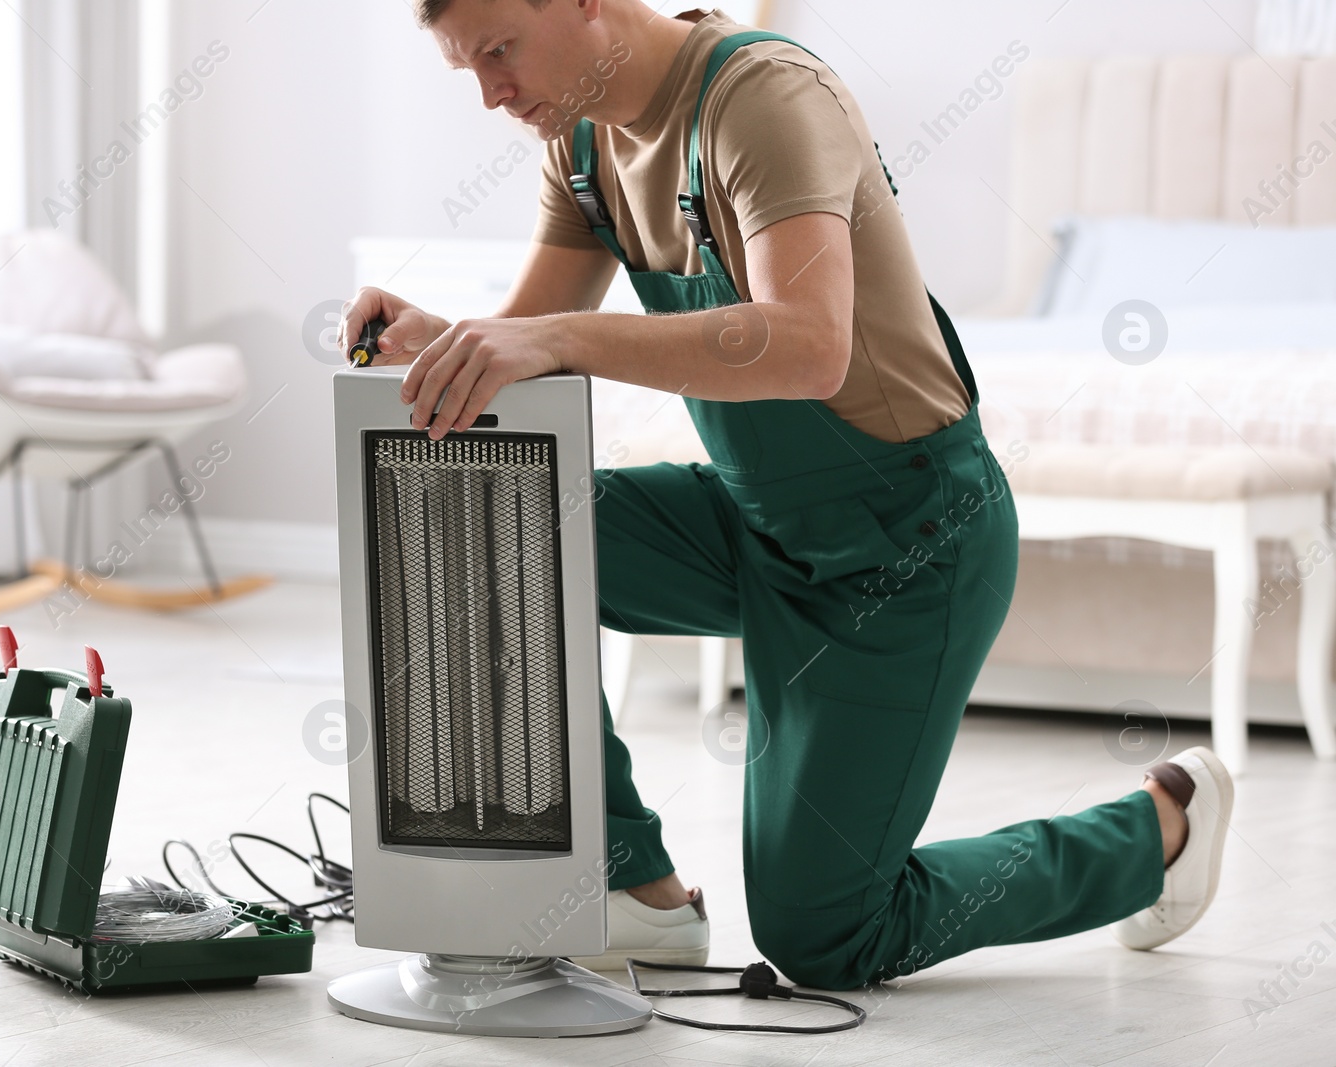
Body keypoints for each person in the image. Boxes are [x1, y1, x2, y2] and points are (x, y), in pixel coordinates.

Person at [341, 0, 1233, 990]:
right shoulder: (583, 145)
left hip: (906, 542)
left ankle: (1154, 830)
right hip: (760, 519)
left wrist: (551, 341)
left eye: (500, 52)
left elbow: (810, 344)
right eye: (469, 69)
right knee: (499, 535)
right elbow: (531, 342)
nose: (491, 93)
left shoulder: (761, 98)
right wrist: (448, 339)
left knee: (824, 937)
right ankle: (634, 891)